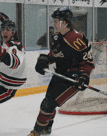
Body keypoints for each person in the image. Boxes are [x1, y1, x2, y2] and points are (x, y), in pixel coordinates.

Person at [28, 7, 95, 136]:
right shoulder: (57, 37)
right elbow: (55, 54)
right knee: (48, 102)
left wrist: (84, 75)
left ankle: (37, 131)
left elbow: (88, 60)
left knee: (47, 104)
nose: (53, 24)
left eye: (56, 21)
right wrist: (45, 59)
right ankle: (46, 127)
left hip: (73, 78)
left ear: (64, 22)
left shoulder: (75, 38)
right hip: (59, 75)